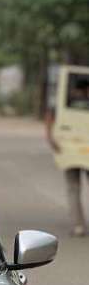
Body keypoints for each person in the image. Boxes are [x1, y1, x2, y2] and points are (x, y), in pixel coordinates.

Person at [45, 76, 89, 236]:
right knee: (73, 188)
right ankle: (78, 224)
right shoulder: (64, 102)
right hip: (74, 149)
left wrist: (50, 137)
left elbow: (49, 118)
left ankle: (78, 226)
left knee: (73, 188)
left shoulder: (64, 100)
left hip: (70, 148)